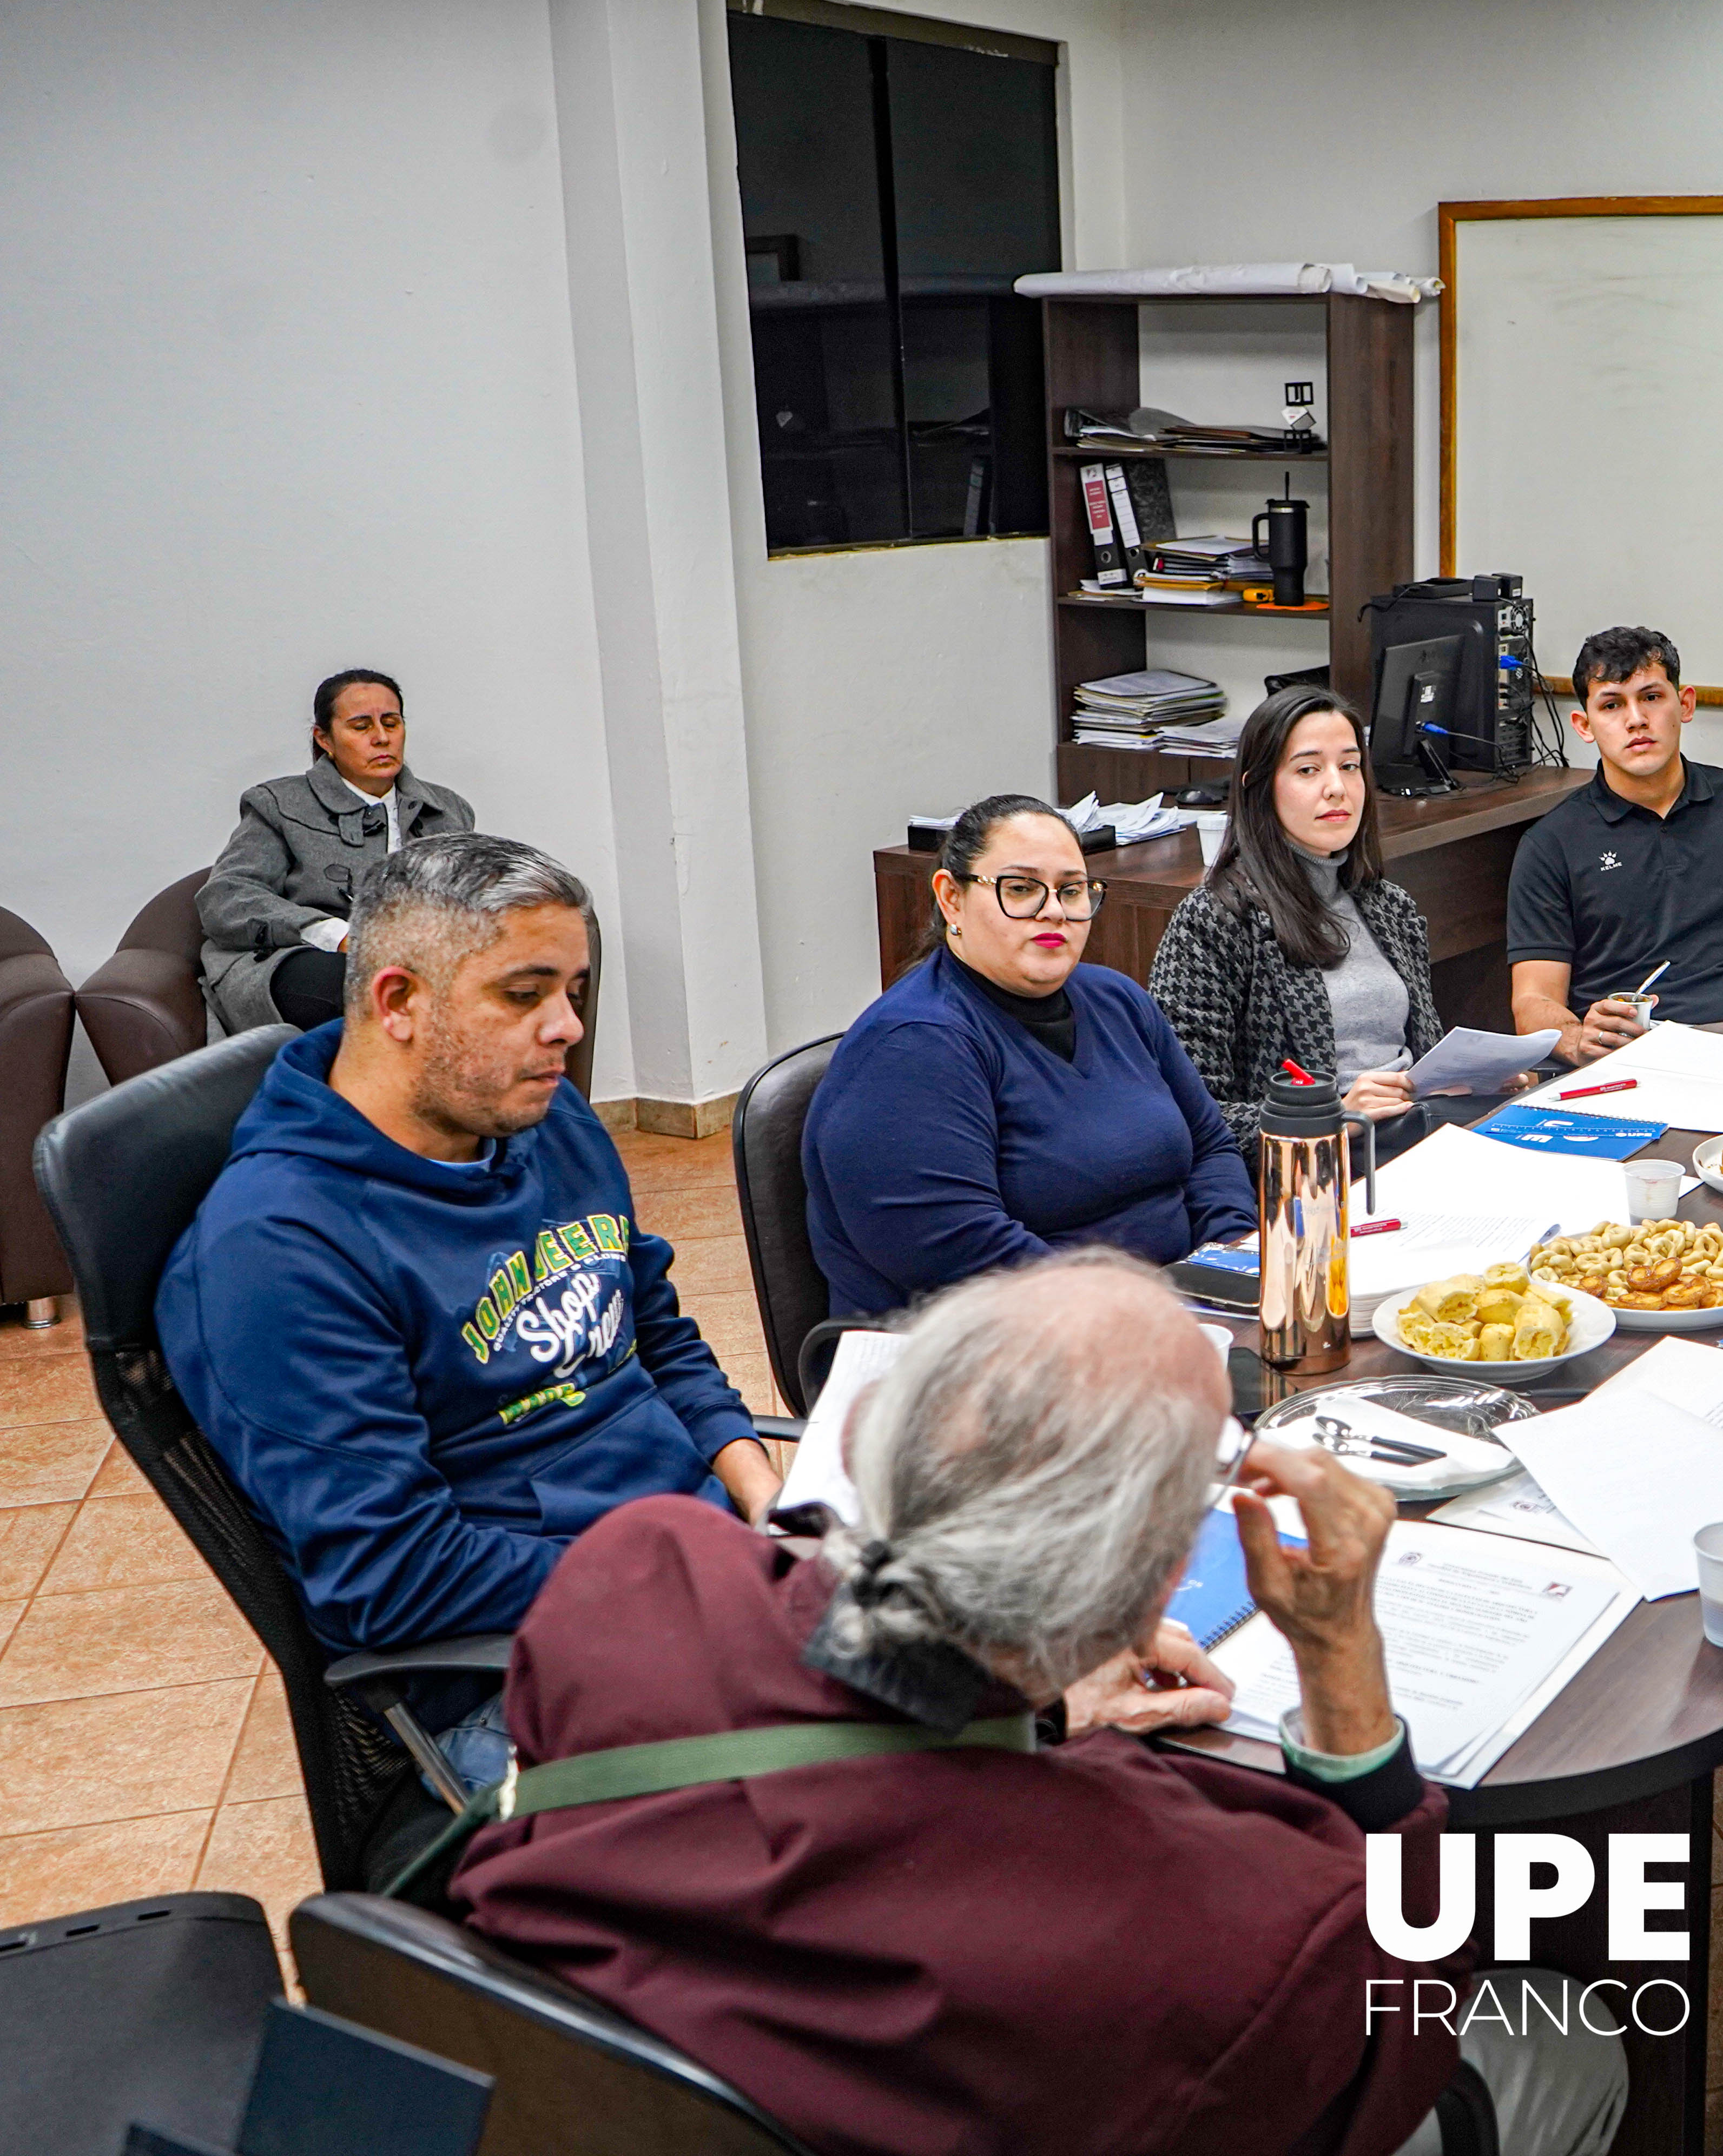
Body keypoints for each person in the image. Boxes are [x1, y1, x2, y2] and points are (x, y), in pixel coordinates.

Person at [452, 1252, 1628, 2156]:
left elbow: (827, 1768)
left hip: (590, 2091)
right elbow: (1400, 2002)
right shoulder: (1245, 1918)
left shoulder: (632, 1575)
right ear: (1170, 1576)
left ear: (858, 1432)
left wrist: (1036, 1712)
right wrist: (1339, 1654)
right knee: (1571, 2049)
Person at [159, 834, 778, 1815]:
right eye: (525, 995)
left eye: (574, 990)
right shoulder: (278, 1247)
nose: (567, 1028)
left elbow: (649, 1327)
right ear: (399, 1001)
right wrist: (690, 1584)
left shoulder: (540, 1120)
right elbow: (389, 1576)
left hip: (707, 1572)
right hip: (532, 1673)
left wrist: (755, 1485)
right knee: (919, 1804)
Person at [804, 795, 1257, 1318]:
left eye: (1071, 890)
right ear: (951, 898)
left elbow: (1210, 1146)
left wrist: (1227, 1268)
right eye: (1020, 889)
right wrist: (1142, 1315)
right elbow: (969, 1259)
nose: (1053, 911)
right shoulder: (910, 1047)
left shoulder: (1118, 1001)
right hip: (983, 1353)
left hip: (1174, 1314)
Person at [1148, 685, 1444, 1153]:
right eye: (1309, 770)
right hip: (1314, 1166)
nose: (1337, 787)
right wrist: (1331, 1117)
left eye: (1349, 766)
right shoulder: (1214, 920)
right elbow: (1187, 1107)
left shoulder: (1391, 907)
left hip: (1419, 1136)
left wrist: (1477, 1077)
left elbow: (1425, 1054)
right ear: (1258, 787)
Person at [1507, 625, 1723, 1062]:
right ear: (1584, 726)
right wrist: (1578, 1039)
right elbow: (1533, 1002)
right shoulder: (1550, 844)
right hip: (1630, 1058)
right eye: (1612, 705)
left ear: (1685, 704)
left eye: (1652, 697)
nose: (1636, 719)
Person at [201, 668, 477, 1034]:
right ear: (325, 739)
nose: (381, 738)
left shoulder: (448, 809)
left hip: (421, 958)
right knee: (372, 988)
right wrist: (336, 935)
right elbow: (227, 897)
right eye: (361, 726)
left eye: (391, 723)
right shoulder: (278, 803)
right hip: (303, 956)